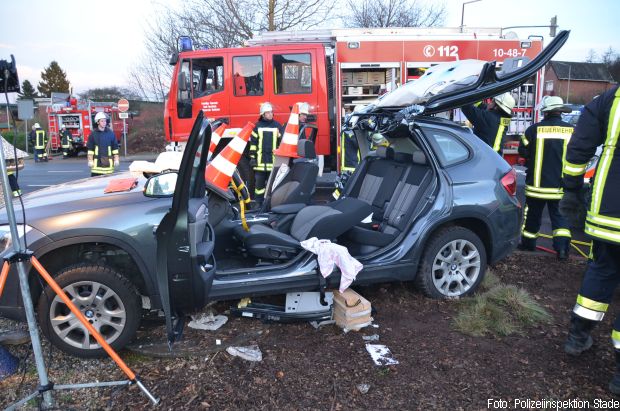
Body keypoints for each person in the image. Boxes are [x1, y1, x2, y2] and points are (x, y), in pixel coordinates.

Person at [560, 86, 620, 394]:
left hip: (608, 212)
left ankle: (577, 337)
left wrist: (570, 189)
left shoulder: (610, 100)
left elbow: (580, 146)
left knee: (601, 271)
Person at [517, 96, 573, 259]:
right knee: (559, 217)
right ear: (561, 111)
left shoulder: (533, 129)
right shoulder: (571, 130)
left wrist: (532, 156)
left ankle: (528, 246)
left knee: (532, 216)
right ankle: (562, 250)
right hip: (560, 186)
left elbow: (522, 150)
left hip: (536, 186)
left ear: (546, 112)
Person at [249, 102, 282, 204]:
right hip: (259, 164)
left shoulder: (277, 126)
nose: (270, 114)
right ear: (263, 115)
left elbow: (281, 143)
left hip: (273, 163)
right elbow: (253, 144)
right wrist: (252, 158)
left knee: (272, 186)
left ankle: (271, 204)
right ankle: (259, 204)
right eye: (267, 113)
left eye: (271, 112)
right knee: (259, 187)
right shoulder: (257, 126)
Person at [87, 112, 119, 177]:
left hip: (108, 165)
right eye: (102, 121)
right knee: (95, 184)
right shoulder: (93, 134)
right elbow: (90, 149)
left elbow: (115, 148)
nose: (104, 122)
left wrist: (116, 159)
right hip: (97, 166)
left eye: (105, 121)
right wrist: (90, 160)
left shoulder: (110, 133)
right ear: (98, 122)